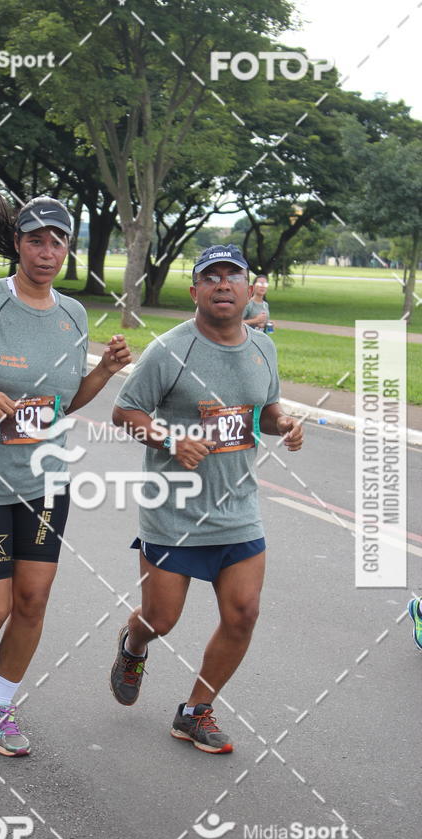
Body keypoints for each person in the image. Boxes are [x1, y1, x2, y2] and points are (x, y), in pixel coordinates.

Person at [0, 194, 131, 756]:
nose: (47, 251)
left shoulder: (73, 315)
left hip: (45, 482)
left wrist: (104, 371)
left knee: (32, 601)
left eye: (58, 241)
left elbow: (64, 403)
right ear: (18, 243)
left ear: (67, 249)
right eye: (36, 239)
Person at [109, 244, 303, 753]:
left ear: (248, 288)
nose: (222, 285)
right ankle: (133, 645)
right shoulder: (170, 350)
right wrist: (173, 440)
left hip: (238, 510)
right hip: (173, 511)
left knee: (242, 613)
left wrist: (282, 424)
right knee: (161, 619)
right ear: (194, 291)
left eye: (231, 276)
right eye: (210, 277)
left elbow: (265, 411)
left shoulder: (264, 348)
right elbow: (125, 412)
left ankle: (195, 712)